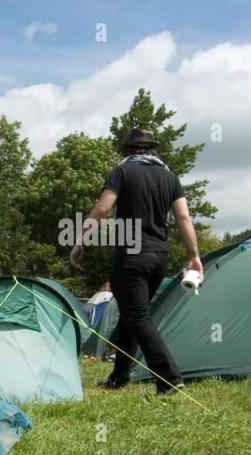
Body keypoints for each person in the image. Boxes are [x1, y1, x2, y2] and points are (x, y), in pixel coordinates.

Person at [71, 128, 202, 394]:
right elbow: (184, 218)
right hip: (159, 257)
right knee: (131, 317)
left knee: (137, 315)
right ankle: (118, 378)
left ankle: (169, 377)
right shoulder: (169, 177)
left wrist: (81, 239)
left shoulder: (122, 172)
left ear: (127, 150)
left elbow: (104, 207)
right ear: (153, 149)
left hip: (132, 256)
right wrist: (194, 255)